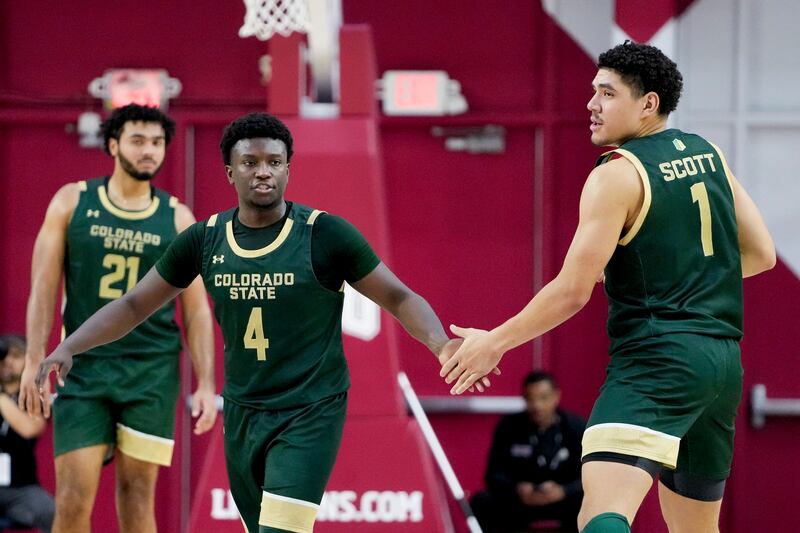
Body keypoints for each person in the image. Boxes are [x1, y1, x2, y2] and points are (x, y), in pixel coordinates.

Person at [27, 112, 492, 533]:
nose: (263, 171)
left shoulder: (325, 234)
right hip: (245, 411)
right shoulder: (204, 238)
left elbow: (399, 296)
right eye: (250, 163)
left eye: (274, 161)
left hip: (310, 409)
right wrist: (70, 346)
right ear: (231, 172)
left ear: (289, 167)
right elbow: (132, 305)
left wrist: (440, 344)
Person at [440, 41, 776, 533]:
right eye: (593, 92)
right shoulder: (708, 153)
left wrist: (494, 342)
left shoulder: (616, 175)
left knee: (602, 514)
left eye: (606, 93)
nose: (591, 105)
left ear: (648, 103)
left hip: (657, 360)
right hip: (722, 366)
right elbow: (760, 255)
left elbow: (572, 291)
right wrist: (676, 279)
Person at [18, 104, 217, 533]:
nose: (150, 151)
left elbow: (197, 308)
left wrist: (205, 383)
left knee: (137, 498)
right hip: (83, 368)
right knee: (71, 499)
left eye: (158, 142)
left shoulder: (179, 218)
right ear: (113, 144)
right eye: (138, 140)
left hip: (151, 372)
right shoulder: (72, 201)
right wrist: (35, 355)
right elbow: (44, 286)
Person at [471, 371, 585, 533]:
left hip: (562, 499)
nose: (537, 405)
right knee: (482, 501)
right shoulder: (509, 426)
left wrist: (563, 491)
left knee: (590, 501)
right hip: (521, 501)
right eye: (530, 398)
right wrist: (517, 489)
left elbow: (589, 477)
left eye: (543, 398)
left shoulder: (576, 427)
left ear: (556, 396)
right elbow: (493, 475)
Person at [0, 335, 54, 533]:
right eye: (4, 356)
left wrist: (1, 399)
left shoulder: (33, 396)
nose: (7, 362)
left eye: (15, 356)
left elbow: (31, 428)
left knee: (50, 511)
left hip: (21, 489)